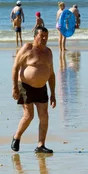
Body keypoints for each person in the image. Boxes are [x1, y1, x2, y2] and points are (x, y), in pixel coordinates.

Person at [11, 26, 56, 154]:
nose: (44, 39)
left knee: (44, 116)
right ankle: (17, 137)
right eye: (41, 36)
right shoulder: (27, 48)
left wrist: (53, 93)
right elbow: (15, 67)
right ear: (35, 36)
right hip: (25, 86)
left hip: (42, 87)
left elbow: (51, 74)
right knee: (28, 116)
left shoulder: (48, 52)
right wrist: (15, 87)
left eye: (46, 36)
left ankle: (41, 145)